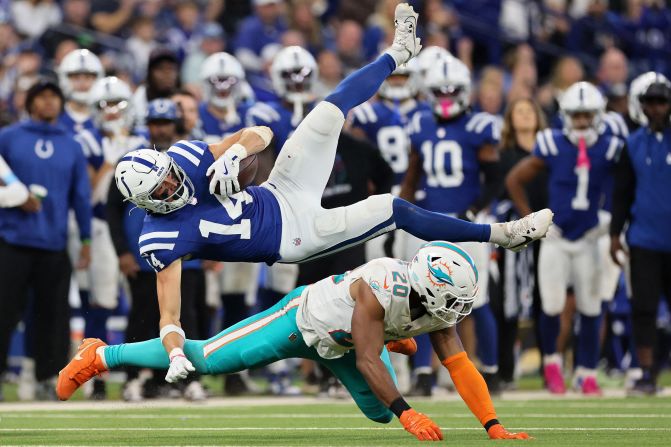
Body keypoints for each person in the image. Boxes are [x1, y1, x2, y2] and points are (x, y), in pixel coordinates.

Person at [103, 4, 552, 380]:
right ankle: (502, 233)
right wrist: (176, 353)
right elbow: (170, 316)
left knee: (326, 111)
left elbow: (259, 132)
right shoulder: (158, 239)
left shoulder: (185, 158)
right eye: (161, 188)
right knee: (390, 208)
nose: (172, 184)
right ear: (146, 204)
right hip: (294, 237)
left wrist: (233, 152)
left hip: (280, 191)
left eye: (166, 175)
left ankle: (398, 52)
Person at [58, 240, 531, 441]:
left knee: (378, 415)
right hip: (302, 322)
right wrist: (408, 409)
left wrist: (493, 426)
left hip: (347, 340)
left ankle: (393, 339)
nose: (457, 308)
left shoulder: (435, 308)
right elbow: (366, 359)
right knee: (206, 360)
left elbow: (460, 366)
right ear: (430, 288)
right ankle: (100, 354)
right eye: (453, 298)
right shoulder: (382, 284)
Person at [506, 82, 624, 395]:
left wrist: (610, 215)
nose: (582, 122)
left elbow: (627, 183)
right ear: (565, 115)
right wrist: (532, 220)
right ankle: (553, 366)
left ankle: (586, 371)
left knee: (590, 306)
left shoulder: (610, 146)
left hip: (589, 237)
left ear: (598, 115)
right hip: (556, 237)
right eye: (576, 115)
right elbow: (515, 179)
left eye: (587, 115)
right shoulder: (552, 143)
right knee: (553, 305)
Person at [400, 52, 503, 394]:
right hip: (430, 222)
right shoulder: (419, 123)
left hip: (466, 223)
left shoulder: (479, 126)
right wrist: (400, 210)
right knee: (420, 299)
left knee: (479, 299)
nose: (445, 99)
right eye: (439, 93)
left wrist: (476, 208)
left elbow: (494, 177)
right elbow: (413, 174)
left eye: (450, 92)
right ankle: (423, 375)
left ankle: (491, 369)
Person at [0, 78, 92, 399]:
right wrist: (13, 197)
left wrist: (86, 239)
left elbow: (81, 196)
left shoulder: (71, 144)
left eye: (55, 97)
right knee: (3, 312)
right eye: (42, 97)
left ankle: (46, 380)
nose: (49, 102)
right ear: (29, 103)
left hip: (53, 244)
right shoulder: (8, 138)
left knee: (52, 318)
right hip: (10, 241)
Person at [610, 72, 671, 395]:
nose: (657, 108)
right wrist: (614, 234)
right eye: (652, 102)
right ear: (642, 107)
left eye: (662, 102)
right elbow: (622, 192)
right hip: (644, 238)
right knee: (643, 309)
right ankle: (646, 373)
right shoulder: (632, 144)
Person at [197, 51, 252, 143]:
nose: (222, 87)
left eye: (230, 80)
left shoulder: (250, 113)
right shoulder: (195, 113)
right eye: (214, 80)